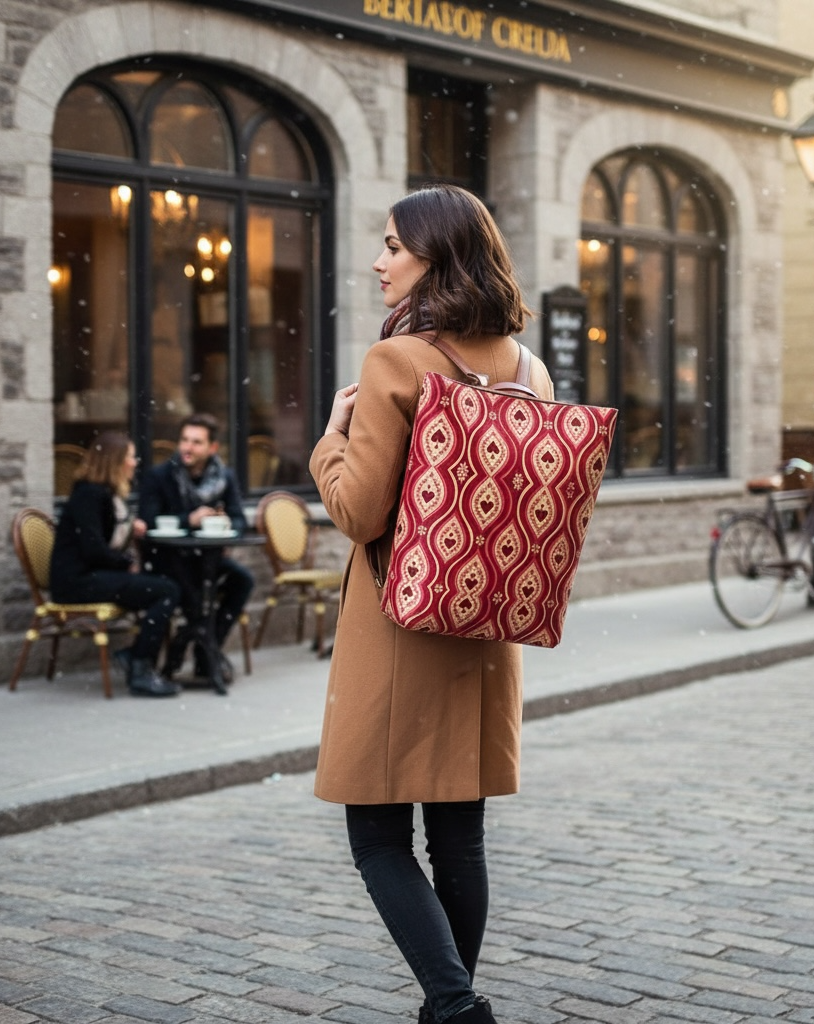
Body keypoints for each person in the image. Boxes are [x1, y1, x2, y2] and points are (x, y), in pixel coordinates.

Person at [310, 184, 555, 1024]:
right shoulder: (529, 368)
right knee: (460, 840)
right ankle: (449, 1009)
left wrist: (330, 440)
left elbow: (359, 513)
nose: (378, 262)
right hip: (485, 629)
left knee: (378, 838)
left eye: (392, 246)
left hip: (402, 626)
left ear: (435, 259)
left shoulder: (396, 363)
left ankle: (455, 1007)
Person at [49, 431, 181, 698]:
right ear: (115, 461)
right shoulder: (89, 495)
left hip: (92, 576)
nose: (135, 462)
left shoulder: (102, 494)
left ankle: (136, 657)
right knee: (166, 591)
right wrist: (126, 562)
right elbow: (93, 548)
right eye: (131, 456)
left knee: (165, 587)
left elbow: (103, 540)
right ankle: (140, 667)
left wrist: (132, 531)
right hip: (77, 582)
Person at [138, 413, 254, 678]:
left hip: (208, 560)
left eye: (196, 442)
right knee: (194, 597)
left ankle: (204, 650)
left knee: (242, 581)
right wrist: (188, 520)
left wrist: (225, 522)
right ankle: (202, 649)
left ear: (212, 447)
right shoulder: (160, 476)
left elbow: (239, 519)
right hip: (169, 560)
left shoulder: (224, 477)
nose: (187, 448)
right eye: (184, 440)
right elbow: (148, 519)